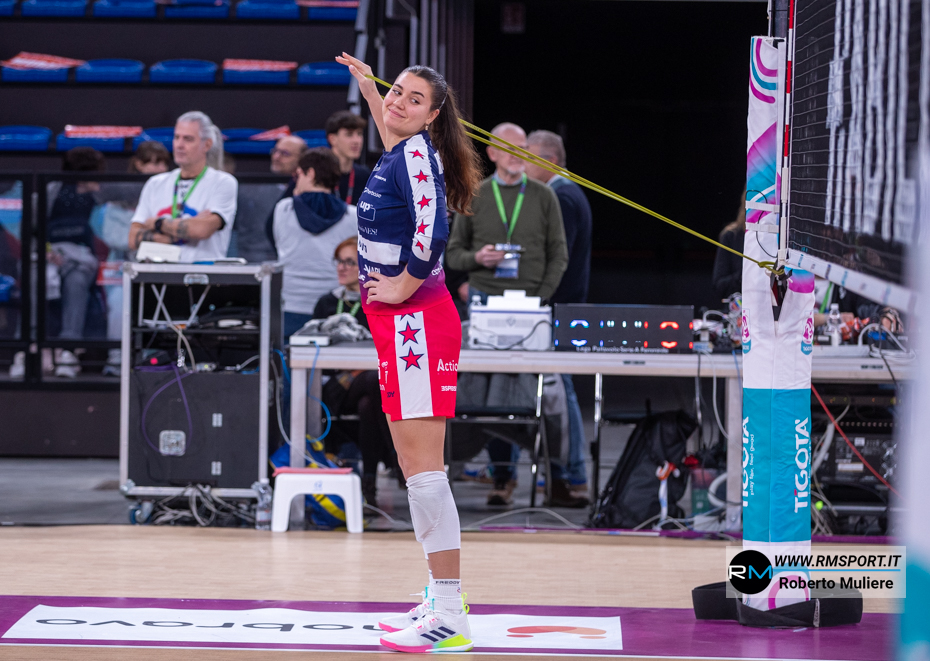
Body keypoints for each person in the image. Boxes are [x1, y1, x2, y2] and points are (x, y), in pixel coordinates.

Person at [337, 51, 482, 653]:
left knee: (423, 475)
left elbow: (433, 228)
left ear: (433, 115)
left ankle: (449, 611)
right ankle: (440, 595)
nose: (397, 102)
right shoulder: (403, 146)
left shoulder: (417, 155)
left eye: (412, 99)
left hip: (415, 322)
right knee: (415, 468)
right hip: (400, 323)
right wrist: (373, 92)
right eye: (396, 90)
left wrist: (404, 283)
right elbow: (389, 123)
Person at [445, 122, 572, 507]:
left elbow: (559, 254)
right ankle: (501, 478)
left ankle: (557, 476)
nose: (518, 156)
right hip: (484, 306)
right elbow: (454, 255)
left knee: (544, 393)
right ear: (492, 153)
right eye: (509, 148)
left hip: (531, 310)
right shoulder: (475, 194)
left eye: (523, 149)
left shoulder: (544, 196)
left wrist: (540, 299)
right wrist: (479, 258)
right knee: (485, 391)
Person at [525, 129, 592, 502]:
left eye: (528, 157)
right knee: (558, 389)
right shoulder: (565, 192)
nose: (522, 165)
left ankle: (572, 472)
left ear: (548, 160)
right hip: (560, 304)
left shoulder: (561, 196)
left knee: (561, 391)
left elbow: (556, 257)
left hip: (558, 306)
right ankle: (567, 472)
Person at [312, 237, 394, 503]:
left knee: (369, 404)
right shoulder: (326, 303)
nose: (342, 267)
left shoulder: (380, 301)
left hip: (369, 385)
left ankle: (369, 484)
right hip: (332, 388)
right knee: (373, 380)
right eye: (339, 261)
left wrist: (355, 372)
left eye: (350, 262)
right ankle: (395, 457)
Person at [99, 142, 172, 375]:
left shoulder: (172, 198)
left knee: (167, 308)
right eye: (151, 162)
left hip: (163, 268)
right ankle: (116, 360)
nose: (157, 168)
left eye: (161, 163)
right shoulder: (117, 202)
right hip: (123, 268)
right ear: (138, 165)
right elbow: (117, 237)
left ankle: (157, 360)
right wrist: (154, 235)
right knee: (119, 304)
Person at [128, 111, 237, 262]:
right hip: (158, 272)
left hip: (201, 273)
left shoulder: (222, 182)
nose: (179, 145)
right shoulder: (155, 183)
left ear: (207, 144)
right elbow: (133, 238)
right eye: (177, 137)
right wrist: (185, 229)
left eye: (188, 139)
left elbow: (202, 230)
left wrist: (157, 223)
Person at [272, 147, 358, 339]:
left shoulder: (283, 210)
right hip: (334, 305)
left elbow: (279, 246)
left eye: (299, 175)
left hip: (291, 304)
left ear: (310, 173)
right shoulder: (353, 216)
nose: (296, 181)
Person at [46, 148, 107, 377]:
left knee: (77, 282)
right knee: (34, 279)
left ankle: (68, 350)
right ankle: (27, 350)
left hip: (84, 259)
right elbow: (32, 229)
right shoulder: (52, 190)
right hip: (50, 256)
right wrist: (46, 252)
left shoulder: (100, 194)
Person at [325, 110, 370, 205]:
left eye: (359, 134)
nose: (357, 141)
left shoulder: (364, 175)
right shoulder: (317, 173)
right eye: (349, 135)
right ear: (332, 139)